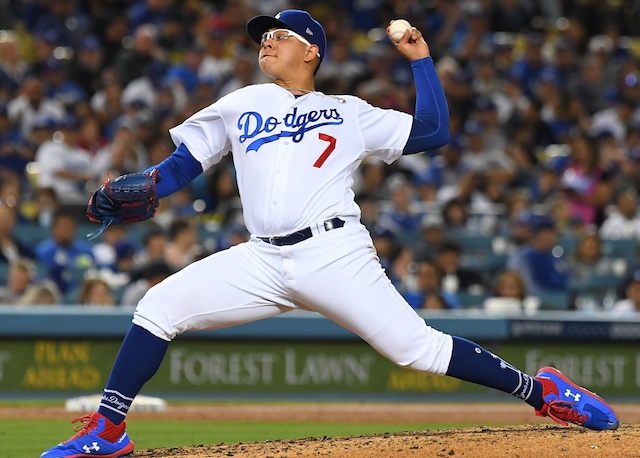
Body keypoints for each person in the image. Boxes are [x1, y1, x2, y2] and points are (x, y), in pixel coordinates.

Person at [41, 10, 619, 458]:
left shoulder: (347, 110)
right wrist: (144, 185)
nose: (266, 41)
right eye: (262, 36)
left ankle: (543, 393)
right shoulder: (243, 103)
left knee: (415, 350)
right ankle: (108, 429)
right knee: (159, 303)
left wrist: (420, 58)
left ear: (311, 50)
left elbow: (435, 131)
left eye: (279, 35)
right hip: (260, 259)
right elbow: (182, 167)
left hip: (333, 252)